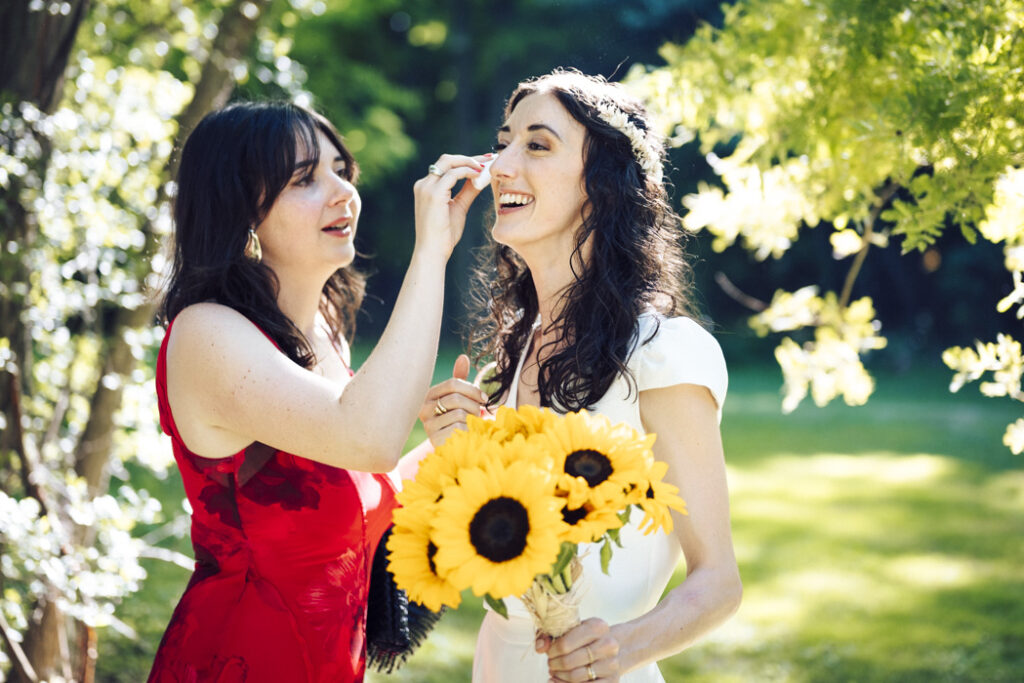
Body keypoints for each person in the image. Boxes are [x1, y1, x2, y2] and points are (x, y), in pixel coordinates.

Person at [418, 70, 742, 682]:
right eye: (505, 141)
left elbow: (719, 582)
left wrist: (623, 646)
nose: (500, 167)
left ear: (606, 184)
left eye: (537, 145)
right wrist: (462, 459)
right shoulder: (513, 355)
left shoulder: (662, 354)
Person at [148, 101, 485, 682]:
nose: (343, 193)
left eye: (339, 171)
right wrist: (432, 252)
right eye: (305, 179)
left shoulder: (322, 329)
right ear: (239, 211)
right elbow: (368, 437)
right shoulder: (207, 331)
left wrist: (453, 440)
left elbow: (353, 489)